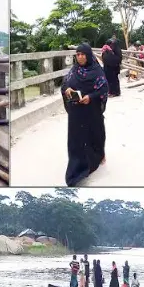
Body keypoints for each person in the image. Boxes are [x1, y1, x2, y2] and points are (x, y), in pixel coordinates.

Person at [61, 43, 109, 186]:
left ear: (88, 55)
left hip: (91, 111)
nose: (80, 57)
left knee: (95, 134)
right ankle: (76, 170)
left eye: (83, 54)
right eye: (78, 54)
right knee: (76, 139)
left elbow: (104, 88)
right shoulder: (73, 70)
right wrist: (67, 89)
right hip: (76, 112)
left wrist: (91, 97)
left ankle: (98, 155)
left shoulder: (97, 71)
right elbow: (64, 85)